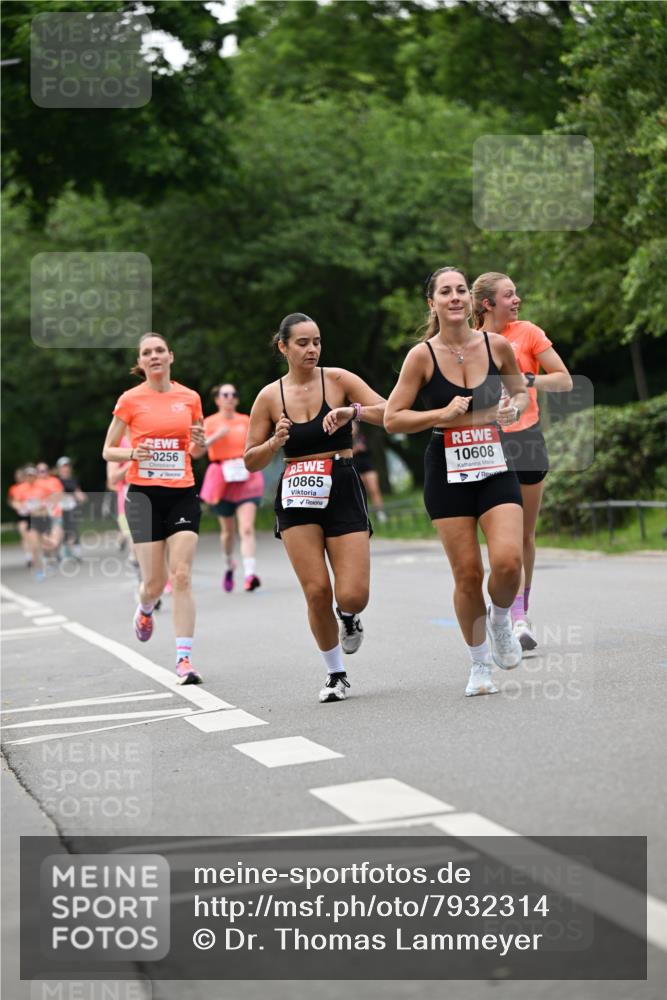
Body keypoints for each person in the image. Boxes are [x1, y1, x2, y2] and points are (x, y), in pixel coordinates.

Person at [384, 267, 529, 697]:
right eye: (444, 292)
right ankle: (478, 665)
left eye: (461, 290)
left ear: (470, 300)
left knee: (507, 562)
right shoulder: (421, 357)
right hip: (445, 468)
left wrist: (513, 408)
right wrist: (439, 415)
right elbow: (393, 418)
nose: (454, 297)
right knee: (468, 575)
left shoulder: (496, 345)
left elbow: (520, 393)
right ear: (432, 303)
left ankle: (501, 618)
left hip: (493, 458)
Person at [244, 313, 386, 703]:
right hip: (296, 493)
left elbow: (389, 412)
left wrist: (351, 412)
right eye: (303, 343)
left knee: (352, 594)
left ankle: (349, 617)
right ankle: (335, 673)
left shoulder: (339, 380)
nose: (312, 349)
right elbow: (250, 460)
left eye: (317, 342)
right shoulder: (269, 397)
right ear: (283, 347)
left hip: (341, 485)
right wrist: (274, 443)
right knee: (316, 591)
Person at [471, 272, 573, 650]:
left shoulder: (528, 332)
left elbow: (563, 380)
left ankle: (519, 614)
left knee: (524, 534)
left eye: (516, 294)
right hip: (483, 442)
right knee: (500, 539)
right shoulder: (468, 343)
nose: (517, 300)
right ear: (487, 304)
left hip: (526, 441)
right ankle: (501, 608)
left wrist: (527, 382)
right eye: (509, 295)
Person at [102, 332, 206, 685]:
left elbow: (197, 450)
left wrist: (200, 445)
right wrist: (132, 453)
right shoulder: (130, 400)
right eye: (147, 352)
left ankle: (184, 660)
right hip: (143, 497)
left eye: (160, 350)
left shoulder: (189, 398)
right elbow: (108, 450)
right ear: (141, 362)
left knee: (181, 576)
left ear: (171, 356)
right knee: (154, 582)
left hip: (182, 493)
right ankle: (145, 606)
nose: (154, 356)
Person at [193, 383, 265, 593]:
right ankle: (228, 563)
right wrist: (215, 436)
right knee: (227, 532)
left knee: (246, 528)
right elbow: (195, 452)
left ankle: (250, 574)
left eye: (234, 394)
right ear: (217, 400)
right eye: (225, 394)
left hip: (245, 478)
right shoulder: (210, 422)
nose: (230, 397)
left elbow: (257, 445)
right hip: (222, 479)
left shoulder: (245, 421)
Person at [352, 424, 388, 523]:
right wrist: (355, 449)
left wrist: (361, 448)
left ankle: (380, 513)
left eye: (354, 426)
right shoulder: (345, 441)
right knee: (360, 493)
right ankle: (363, 515)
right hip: (355, 467)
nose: (353, 429)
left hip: (368, 466)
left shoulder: (362, 437)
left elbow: (370, 449)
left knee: (374, 490)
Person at [56, 457, 87, 561]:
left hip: (71, 507)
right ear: (59, 468)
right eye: (64, 466)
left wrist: (81, 496)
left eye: (67, 466)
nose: (66, 468)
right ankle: (64, 552)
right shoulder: (56, 481)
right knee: (62, 530)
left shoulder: (73, 479)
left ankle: (76, 552)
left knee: (74, 528)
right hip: (60, 508)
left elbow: (77, 490)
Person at [7, 468, 32, 567]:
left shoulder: (29, 485)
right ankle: (28, 557)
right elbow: (11, 500)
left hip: (32, 514)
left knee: (33, 536)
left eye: (20, 475)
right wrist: (15, 505)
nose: (18, 477)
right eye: (17, 476)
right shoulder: (13, 488)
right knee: (24, 534)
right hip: (21, 515)